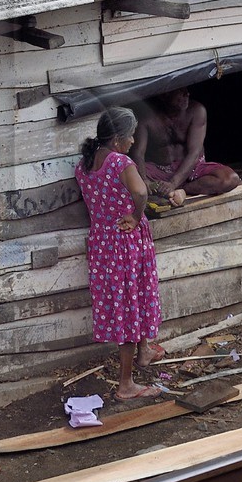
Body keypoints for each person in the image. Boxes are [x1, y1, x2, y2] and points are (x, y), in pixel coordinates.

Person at [76, 106, 164, 400]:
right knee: (129, 307)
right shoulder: (119, 162)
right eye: (130, 137)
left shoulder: (85, 164)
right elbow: (140, 193)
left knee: (127, 299)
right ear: (116, 139)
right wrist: (137, 217)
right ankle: (126, 385)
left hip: (102, 242)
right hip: (125, 240)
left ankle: (145, 351)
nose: (133, 142)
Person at [132, 88, 240, 203]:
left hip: (192, 168)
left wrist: (174, 183)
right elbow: (138, 153)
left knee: (230, 179)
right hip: (160, 170)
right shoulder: (146, 117)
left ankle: (182, 190)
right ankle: (167, 190)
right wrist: (144, 180)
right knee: (127, 178)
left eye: (187, 90)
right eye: (180, 91)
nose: (187, 94)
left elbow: (194, 153)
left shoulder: (197, 110)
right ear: (164, 95)